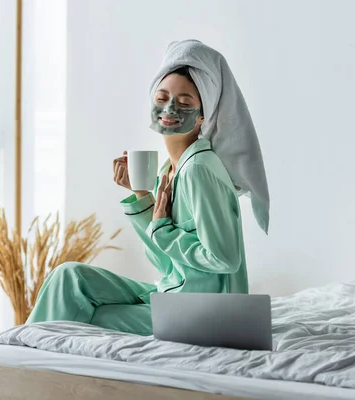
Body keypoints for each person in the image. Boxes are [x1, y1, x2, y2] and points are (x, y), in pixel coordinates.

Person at [26, 40, 270, 335]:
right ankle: (20, 349)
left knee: (85, 317)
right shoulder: (170, 169)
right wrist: (143, 196)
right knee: (69, 277)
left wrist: (164, 230)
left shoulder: (200, 170)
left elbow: (224, 258)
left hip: (210, 314)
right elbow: (165, 262)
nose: (169, 107)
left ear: (203, 116)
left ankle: (15, 360)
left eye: (184, 102)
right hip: (173, 296)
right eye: (162, 97)